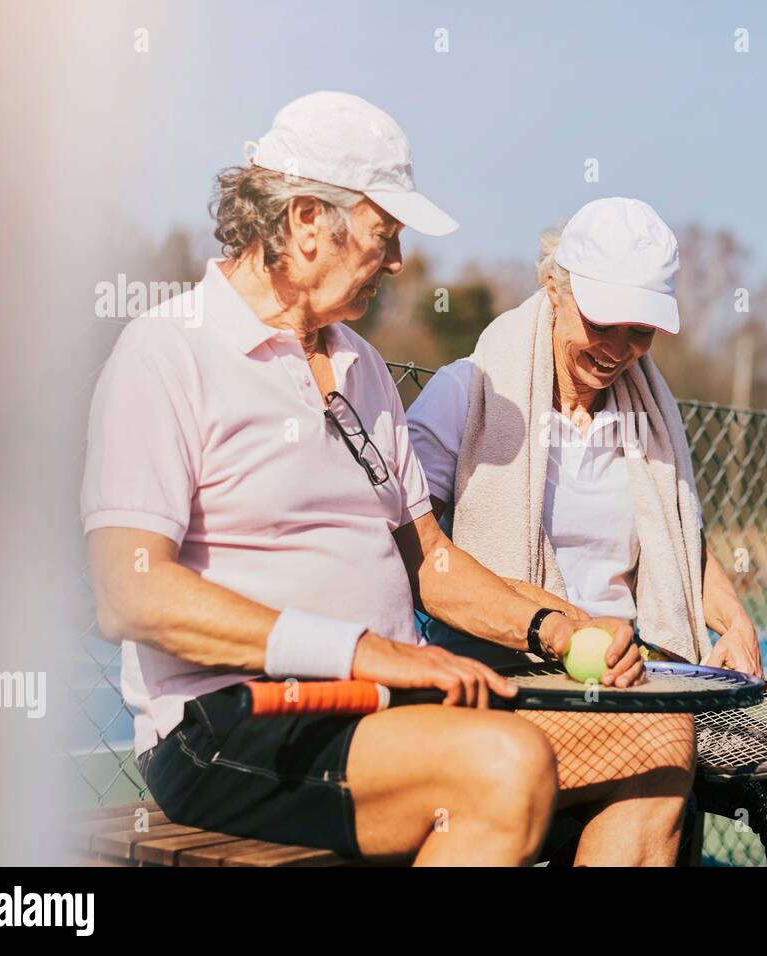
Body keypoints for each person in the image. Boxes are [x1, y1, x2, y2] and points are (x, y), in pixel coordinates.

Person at [81, 94, 693, 866]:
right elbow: (131, 594)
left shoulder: (362, 366)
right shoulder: (165, 352)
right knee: (501, 767)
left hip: (384, 708)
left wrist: (558, 628)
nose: (400, 261)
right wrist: (362, 651)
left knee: (658, 744)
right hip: (234, 720)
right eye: (384, 233)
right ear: (306, 218)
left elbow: (429, 560)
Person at [407, 196, 767, 865]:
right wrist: (553, 628)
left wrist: (732, 621)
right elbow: (412, 549)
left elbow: (682, 544)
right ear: (552, 288)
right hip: (515, 676)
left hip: (634, 676)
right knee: (662, 748)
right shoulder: (464, 393)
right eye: (604, 322)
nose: (619, 350)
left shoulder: (646, 418)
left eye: (640, 331)